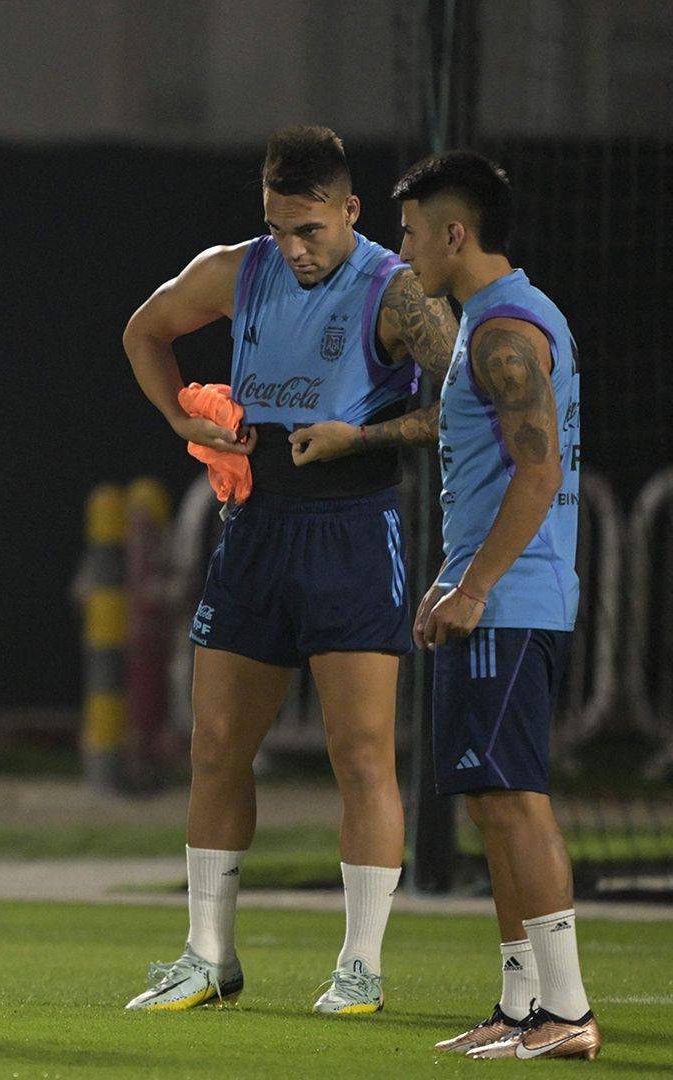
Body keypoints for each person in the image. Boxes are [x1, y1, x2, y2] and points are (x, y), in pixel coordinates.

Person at [120, 125, 459, 1014]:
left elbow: (469, 401)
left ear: (351, 210)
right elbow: (143, 331)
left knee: (360, 754)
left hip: (352, 531)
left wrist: (366, 435)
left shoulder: (398, 292)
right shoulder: (240, 269)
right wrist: (179, 420)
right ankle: (206, 956)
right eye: (280, 228)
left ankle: (361, 965)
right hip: (256, 529)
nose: (295, 249)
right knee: (217, 747)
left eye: (311, 230)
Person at [294, 151, 595, 1058]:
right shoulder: (488, 323)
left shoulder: (507, 329)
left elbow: (537, 474)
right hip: (491, 592)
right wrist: (451, 578)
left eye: (413, 229)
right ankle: (519, 1007)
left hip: (513, 601)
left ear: (454, 233)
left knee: (515, 799)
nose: (403, 245)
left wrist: (475, 585)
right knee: (486, 800)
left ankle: (569, 1010)